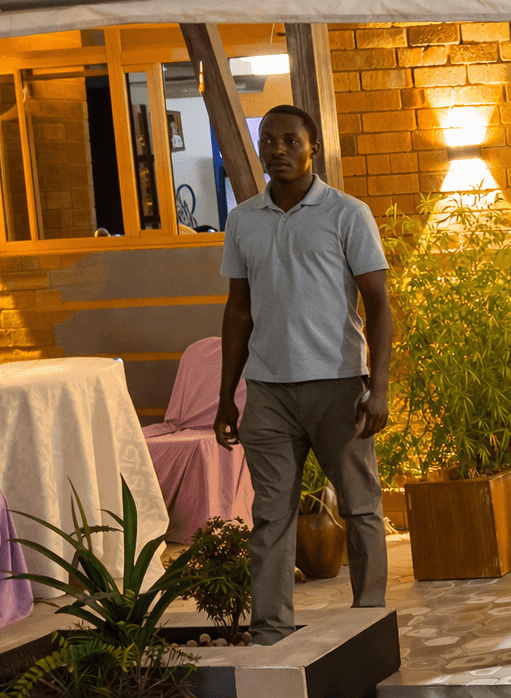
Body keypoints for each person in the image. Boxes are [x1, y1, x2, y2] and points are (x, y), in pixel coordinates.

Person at [213, 104, 394, 645]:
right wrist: (227, 394)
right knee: (270, 518)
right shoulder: (242, 219)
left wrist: (377, 386)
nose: (277, 151)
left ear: (312, 148)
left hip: (338, 386)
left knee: (361, 510)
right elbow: (238, 310)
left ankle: (369, 625)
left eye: (290, 141)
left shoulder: (347, 213)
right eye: (269, 141)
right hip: (268, 392)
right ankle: (271, 634)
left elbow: (380, 304)